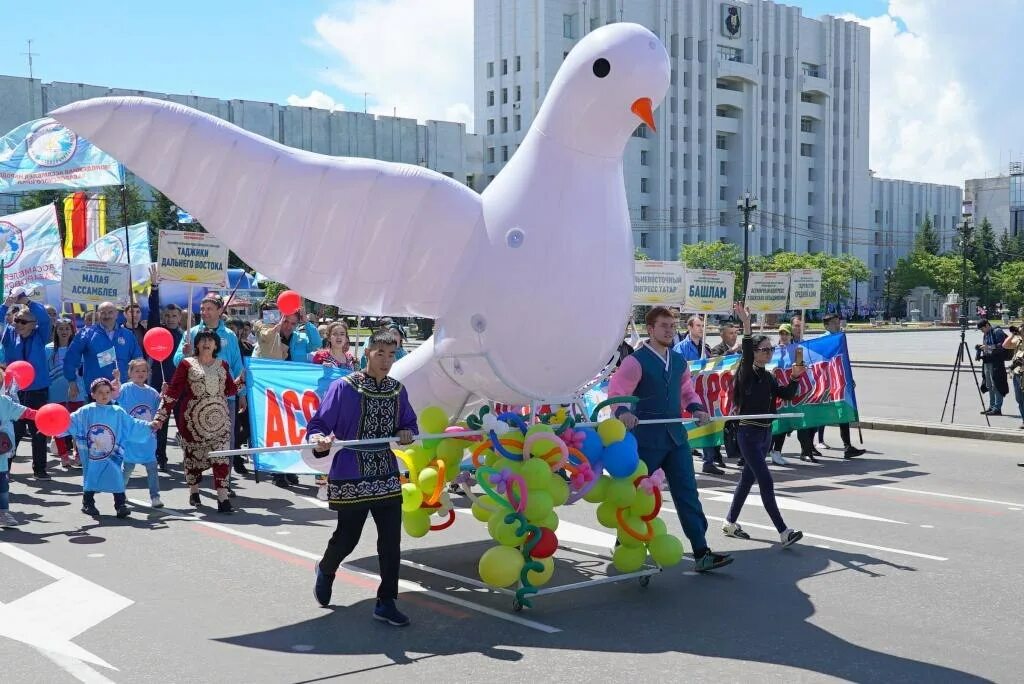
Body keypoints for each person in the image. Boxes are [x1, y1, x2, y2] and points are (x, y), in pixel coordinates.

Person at [608, 306, 732, 573]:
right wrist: (622, 412)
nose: (669, 330)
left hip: (675, 439)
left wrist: (697, 408)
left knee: (687, 492)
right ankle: (623, 544)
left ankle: (701, 551)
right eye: (663, 326)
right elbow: (617, 392)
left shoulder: (678, 361)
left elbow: (687, 392)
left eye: (672, 325)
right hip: (646, 440)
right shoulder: (635, 361)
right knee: (638, 495)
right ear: (650, 329)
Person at [308, 329, 417, 626]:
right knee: (347, 538)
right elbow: (319, 424)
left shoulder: (397, 390)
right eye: (379, 353)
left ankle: (386, 600)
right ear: (367, 352)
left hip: (385, 471)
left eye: (391, 354)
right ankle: (327, 569)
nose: (385, 360)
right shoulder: (344, 387)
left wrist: (407, 433)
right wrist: (319, 438)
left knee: (390, 540)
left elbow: (409, 423)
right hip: (350, 472)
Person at [722, 302, 804, 547]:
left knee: (747, 480)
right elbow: (746, 353)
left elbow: (786, 394)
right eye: (764, 349)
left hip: (765, 434)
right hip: (748, 433)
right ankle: (783, 531)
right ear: (754, 352)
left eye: (770, 350)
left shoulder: (767, 376)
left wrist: (795, 377)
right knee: (765, 480)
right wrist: (746, 325)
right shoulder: (746, 371)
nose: (768, 353)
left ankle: (729, 522)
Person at [155, 330, 241, 513]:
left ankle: (223, 498)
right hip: (192, 422)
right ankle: (194, 490)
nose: (206, 343)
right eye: (202, 340)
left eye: (210, 340)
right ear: (197, 344)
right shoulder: (187, 364)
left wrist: (243, 380)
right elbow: (173, 391)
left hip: (220, 422)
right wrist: (160, 417)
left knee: (222, 458)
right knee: (193, 458)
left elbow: (229, 390)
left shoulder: (223, 365)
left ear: (216, 345)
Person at [173, 293, 246, 478]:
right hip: (197, 396)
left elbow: (238, 365)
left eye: (209, 309)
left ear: (220, 311)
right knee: (196, 439)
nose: (204, 312)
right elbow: (177, 362)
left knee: (226, 440)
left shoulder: (229, 335)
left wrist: (242, 393)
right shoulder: (192, 332)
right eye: (202, 309)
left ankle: (224, 481)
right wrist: (185, 354)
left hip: (225, 397)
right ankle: (194, 481)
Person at [71, 377, 159, 518]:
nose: (104, 395)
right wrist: (55, 422)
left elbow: (132, 423)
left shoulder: (118, 411)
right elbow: (70, 421)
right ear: (92, 394)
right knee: (92, 475)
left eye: (107, 391)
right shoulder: (85, 411)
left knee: (116, 476)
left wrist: (148, 426)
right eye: (100, 392)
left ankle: (120, 505)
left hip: (113, 453)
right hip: (93, 454)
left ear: (112, 393)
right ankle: (87, 503)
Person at [1, 289, 54, 479]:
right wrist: (6, 306)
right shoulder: (9, 335)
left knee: (38, 430)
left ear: (33, 325)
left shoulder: (40, 335)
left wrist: (28, 302)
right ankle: (4, 469)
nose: (19, 324)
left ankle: (39, 469)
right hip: (13, 391)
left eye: (24, 321)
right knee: (11, 430)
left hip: (37, 390)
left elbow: (45, 319)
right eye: (17, 320)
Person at [310, 321, 357, 499]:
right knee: (323, 442)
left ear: (346, 337)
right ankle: (322, 484)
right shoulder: (321, 357)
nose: (339, 337)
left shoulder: (351, 359)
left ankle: (340, 481)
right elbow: (310, 377)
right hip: (327, 406)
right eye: (335, 333)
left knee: (342, 443)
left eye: (342, 334)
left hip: (347, 408)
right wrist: (322, 371)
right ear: (329, 337)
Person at [671, 315, 721, 473]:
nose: (701, 329)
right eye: (698, 325)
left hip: (704, 393)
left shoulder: (705, 347)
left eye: (702, 326)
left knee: (707, 424)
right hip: (688, 395)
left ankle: (709, 461)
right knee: (686, 428)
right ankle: (682, 462)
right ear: (690, 327)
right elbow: (678, 368)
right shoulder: (681, 347)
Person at [146, 267, 185, 470]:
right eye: (167, 315)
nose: (170, 318)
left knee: (183, 423)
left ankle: (190, 457)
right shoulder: (157, 331)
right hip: (158, 386)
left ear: (180, 317)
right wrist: (154, 288)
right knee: (160, 424)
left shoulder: (185, 336)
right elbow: (153, 311)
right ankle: (160, 458)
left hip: (180, 387)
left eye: (174, 316)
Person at [63, 300, 144, 396]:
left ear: (117, 314)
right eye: (103, 313)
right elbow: (71, 358)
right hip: (97, 391)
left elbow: (138, 360)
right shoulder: (86, 333)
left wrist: (134, 379)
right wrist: (71, 381)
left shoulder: (128, 335)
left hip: (122, 390)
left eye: (110, 312)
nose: (107, 316)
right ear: (98, 315)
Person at [816, 313, 865, 458]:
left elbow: (842, 361)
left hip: (840, 382)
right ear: (826, 325)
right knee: (820, 414)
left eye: (838, 322)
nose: (837, 325)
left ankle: (847, 447)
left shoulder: (839, 339)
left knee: (843, 414)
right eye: (834, 323)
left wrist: (849, 378)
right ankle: (809, 446)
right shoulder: (822, 340)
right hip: (826, 383)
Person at [116, 359, 163, 508]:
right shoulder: (125, 389)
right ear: (130, 373)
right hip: (130, 438)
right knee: (128, 468)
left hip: (148, 438)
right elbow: (113, 395)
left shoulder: (152, 392)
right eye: (137, 371)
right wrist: (116, 379)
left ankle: (155, 496)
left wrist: (164, 393)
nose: (140, 374)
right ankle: (120, 492)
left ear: (148, 373)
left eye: (144, 371)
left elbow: (160, 408)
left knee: (152, 468)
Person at [47, 318, 85, 469]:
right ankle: (64, 456)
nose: (64, 331)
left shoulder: (78, 349)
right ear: (55, 331)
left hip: (77, 391)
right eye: (60, 329)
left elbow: (83, 369)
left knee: (77, 424)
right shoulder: (48, 349)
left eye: (67, 329)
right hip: (56, 392)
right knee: (58, 425)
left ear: (72, 331)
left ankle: (78, 455)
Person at [0, 387, 38, 526]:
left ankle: (3, 513)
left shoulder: (4, 402)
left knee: (2, 488)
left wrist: (43, 415)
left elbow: (24, 412)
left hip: (1, 458)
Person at [253, 308, 322, 362]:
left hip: (294, 378)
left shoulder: (302, 339)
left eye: (293, 323)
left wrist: (306, 322)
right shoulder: (270, 336)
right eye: (286, 321)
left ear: (297, 324)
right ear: (280, 320)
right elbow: (263, 331)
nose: (288, 327)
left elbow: (317, 344)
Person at [977, 319, 1009, 416]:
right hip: (987, 361)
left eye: (982, 329)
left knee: (997, 385)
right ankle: (991, 407)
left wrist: (988, 347)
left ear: (987, 325)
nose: (981, 331)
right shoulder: (986, 333)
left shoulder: (997, 332)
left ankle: (997, 408)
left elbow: (1002, 345)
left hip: (996, 362)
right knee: (989, 385)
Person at [1002, 326, 1024, 428]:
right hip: (1016, 372)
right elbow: (1005, 345)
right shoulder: (1018, 340)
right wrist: (1013, 334)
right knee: (1019, 398)